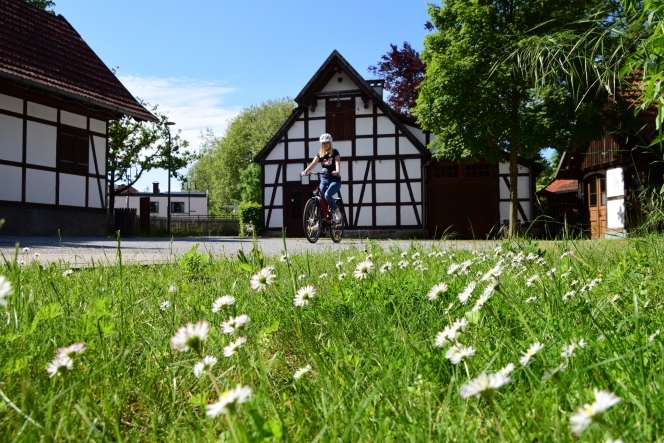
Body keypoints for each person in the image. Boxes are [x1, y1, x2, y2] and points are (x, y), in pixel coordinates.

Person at [301, 133, 342, 226]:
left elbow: (337, 162)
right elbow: (313, 163)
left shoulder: (335, 152)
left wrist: (337, 171)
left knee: (328, 194)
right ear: (321, 144)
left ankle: (336, 212)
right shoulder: (320, 154)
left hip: (335, 180)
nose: (325, 145)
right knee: (320, 198)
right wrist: (305, 171)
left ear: (330, 143)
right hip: (324, 179)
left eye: (327, 143)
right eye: (323, 143)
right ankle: (318, 222)